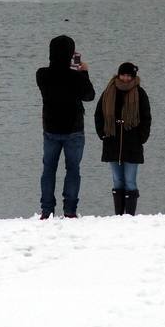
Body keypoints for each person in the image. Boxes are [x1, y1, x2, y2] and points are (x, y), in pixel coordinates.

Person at [36, 35, 95, 219]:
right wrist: (83, 72)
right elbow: (89, 95)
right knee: (73, 170)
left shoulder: (42, 74)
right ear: (71, 54)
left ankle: (47, 210)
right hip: (73, 130)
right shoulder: (76, 77)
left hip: (51, 129)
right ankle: (70, 210)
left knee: (48, 170)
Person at [95, 62, 151, 216]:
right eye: (123, 75)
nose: (126, 78)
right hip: (112, 142)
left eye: (129, 76)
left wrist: (141, 137)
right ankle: (118, 215)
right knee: (117, 181)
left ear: (133, 77)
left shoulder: (140, 93)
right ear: (118, 75)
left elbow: (146, 118)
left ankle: (129, 216)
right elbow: (98, 114)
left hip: (132, 144)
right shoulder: (108, 92)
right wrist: (103, 134)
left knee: (130, 181)